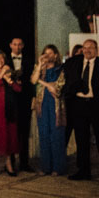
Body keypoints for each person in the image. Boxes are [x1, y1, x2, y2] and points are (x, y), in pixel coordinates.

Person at [62, 39, 99, 184]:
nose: (87, 50)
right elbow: (66, 82)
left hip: (98, 106)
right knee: (81, 140)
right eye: (85, 48)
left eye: (90, 48)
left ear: (97, 50)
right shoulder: (73, 63)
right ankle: (84, 171)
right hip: (79, 105)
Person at [31, 45, 66, 175]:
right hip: (42, 105)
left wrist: (43, 83)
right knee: (44, 135)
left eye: (51, 53)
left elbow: (57, 88)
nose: (48, 56)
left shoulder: (61, 69)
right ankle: (46, 167)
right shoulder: (40, 68)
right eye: (45, 53)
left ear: (56, 55)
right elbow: (33, 80)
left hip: (56, 106)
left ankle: (58, 167)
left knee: (56, 136)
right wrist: (40, 66)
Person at [9, 37, 34, 172]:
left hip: (24, 101)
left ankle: (24, 163)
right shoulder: (5, 61)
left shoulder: (29, 61)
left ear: (23, 46)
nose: (17, 47)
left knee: (24, 132)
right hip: (10, 101)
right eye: (15, 44)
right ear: (10, 45)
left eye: (19, 44)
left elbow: (32, 81)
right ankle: (11, 162)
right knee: (12, 131)